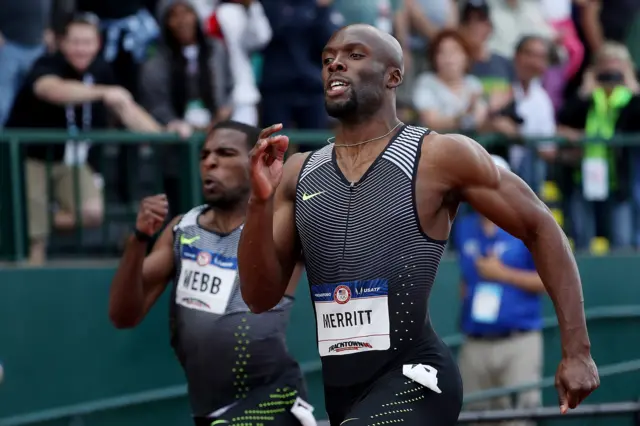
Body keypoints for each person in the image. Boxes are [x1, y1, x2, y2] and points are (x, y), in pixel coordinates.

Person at [238, 24, 599, 426]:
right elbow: (259, 297)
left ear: (394, 76)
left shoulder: (439, 155)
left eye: (355, 55)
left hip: (418, 378)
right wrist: (258, 201)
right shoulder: (298, 172)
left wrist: (577, 350)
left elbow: (541, 227)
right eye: (327, 59)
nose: (335, 63)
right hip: (344, 395)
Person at [108, 120, 314, 426]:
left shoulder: (278, 226)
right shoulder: (182, 229)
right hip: (209, 409)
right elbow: (123, 316)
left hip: (272, 400)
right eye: (204, 155)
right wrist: (138, 240)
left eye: (225, 153)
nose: (210, 162)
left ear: (256, 160)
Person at [454, 156, 545, 426]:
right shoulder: (464, 227)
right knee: (473, 418)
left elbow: (547, 281)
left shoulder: (526, 223)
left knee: (518, 420)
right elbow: (464, 279)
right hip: (475, 342)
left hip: (518, 341)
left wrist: (502, 274)